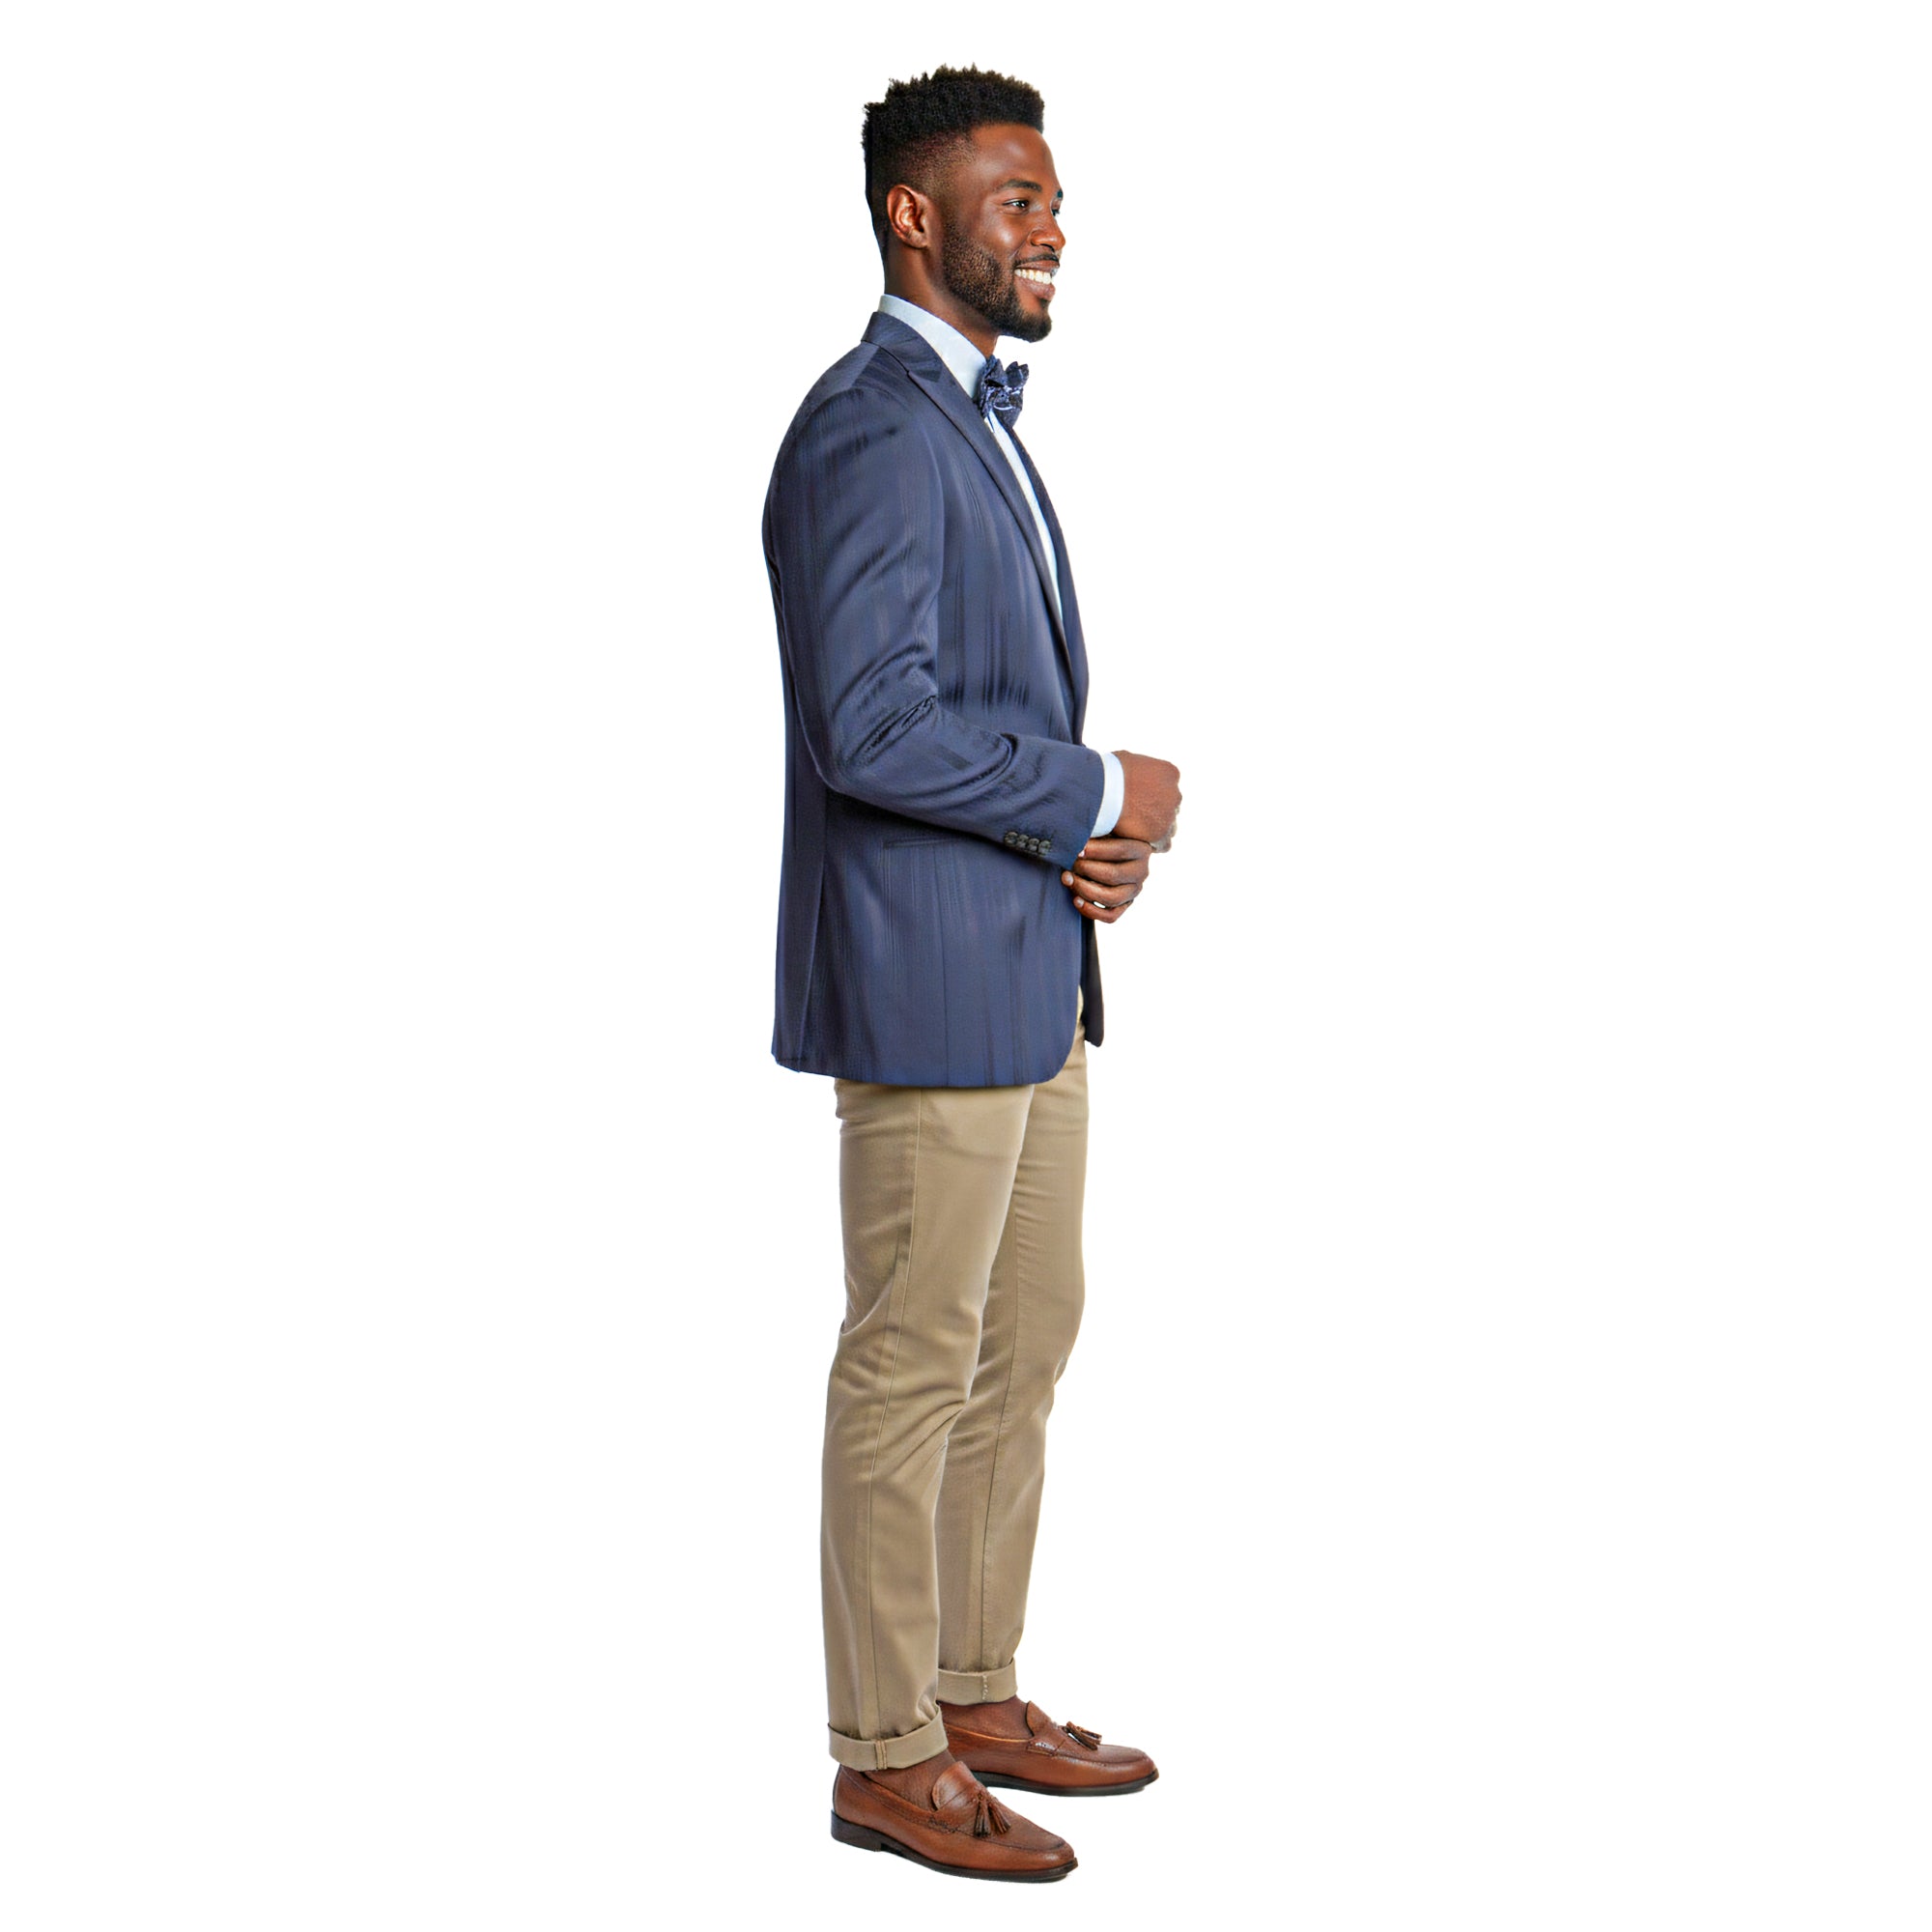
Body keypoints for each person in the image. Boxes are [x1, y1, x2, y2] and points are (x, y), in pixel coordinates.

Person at [761, 65, 1183, 1884]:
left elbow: (976, 717)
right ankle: (883, 1754)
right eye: (1021, 200)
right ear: (915, 217)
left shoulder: (972, 421)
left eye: (1057, 200)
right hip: (931, 991)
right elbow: (869, 729)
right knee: (913, 1363)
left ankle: (973, 1689)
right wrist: (1092, 788)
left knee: (1025, 1342)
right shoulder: (867, 427)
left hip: (1032, 967)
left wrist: (1084, 847)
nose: (1054, 229)